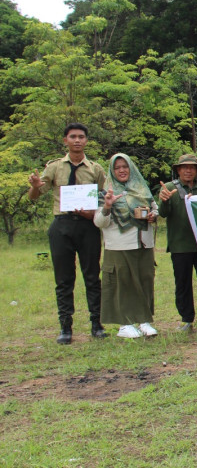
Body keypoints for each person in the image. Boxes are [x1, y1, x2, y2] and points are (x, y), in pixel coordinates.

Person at [27, 123, 108, 344]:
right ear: (65, 140)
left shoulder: (95, 168)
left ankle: (96, 324)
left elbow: (104, 195)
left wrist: (94, 212)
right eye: (73, 137)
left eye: (81, 137)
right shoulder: (54, 167)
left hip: (87, 226)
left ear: (86, 141)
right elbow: (34, 195)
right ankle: (65, 327)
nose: (77, 140)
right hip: (61, 225)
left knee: (92, 276)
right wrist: (34, 185)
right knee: (64, 279)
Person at [94, 154, 158, 338]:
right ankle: (124, 324)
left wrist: (154, 215)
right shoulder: (105, 192)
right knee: (123, 283)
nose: (122, 170)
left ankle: (144, 321)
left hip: (143, 243)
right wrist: (107, 206)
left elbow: (154, 208)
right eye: (117, 167)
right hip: (119, 245)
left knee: (145, 280)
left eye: (125, 166)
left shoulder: (142, 188)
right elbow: (99, 222)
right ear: (112, 171)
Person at [158, 153, 197, 333]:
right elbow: (163, 214)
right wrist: (165, 200)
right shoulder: (168, 188)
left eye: (192, 167)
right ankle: (186, 318)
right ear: (178, 170)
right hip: (179, 244)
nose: (188, 170)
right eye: (184, 167)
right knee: (182, 283)